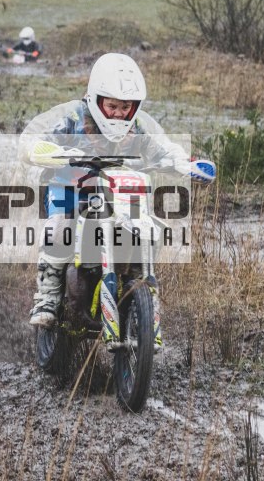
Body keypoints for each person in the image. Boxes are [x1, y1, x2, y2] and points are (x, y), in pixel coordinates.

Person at [18, 52, 215, 345]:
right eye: (112, 106)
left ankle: (140, 296)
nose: (120, 113)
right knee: (59, 227)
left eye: (126, 107)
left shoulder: (139, 127)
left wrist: (185, 164)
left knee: (148, 228)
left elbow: (163, 148)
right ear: (96, 100)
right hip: (70, 186)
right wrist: (47, 151)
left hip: (119, 190)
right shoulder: (73, 116)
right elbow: (34, 140)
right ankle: (47, 296)